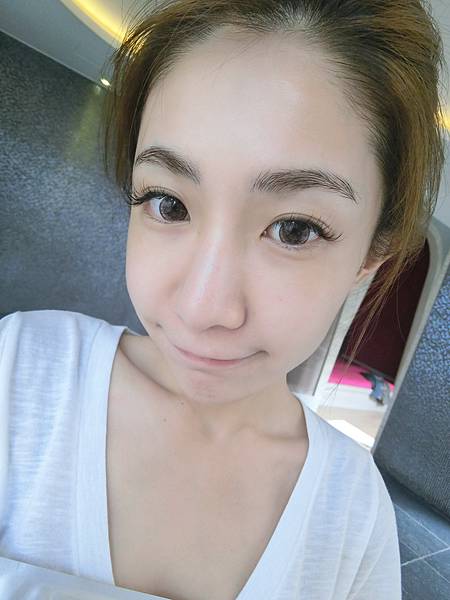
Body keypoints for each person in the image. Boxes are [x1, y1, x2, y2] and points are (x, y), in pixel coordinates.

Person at [0, 0, 447, 599]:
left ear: (371, 255)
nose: (203, 309)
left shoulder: (352, 513)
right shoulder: (20, 372)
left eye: (295, 229)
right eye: (168, 204)